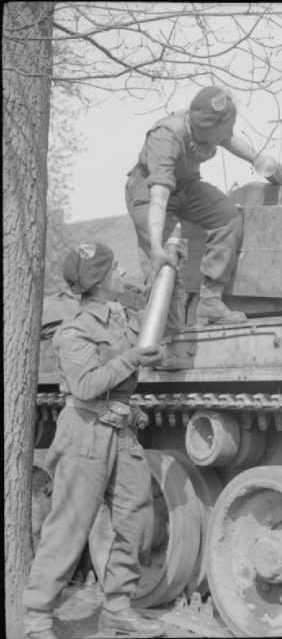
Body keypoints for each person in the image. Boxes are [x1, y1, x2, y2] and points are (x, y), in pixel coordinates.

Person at [23, 241, 187, 639]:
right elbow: (85, 384)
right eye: (113, 270)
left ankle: (116, 609)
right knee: (69, 525)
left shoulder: (119, 316)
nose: (119, 275)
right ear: (98, 282)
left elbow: (162, 321)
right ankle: (38, 618)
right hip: (84, 431)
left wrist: (169, 272)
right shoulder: (73, 331)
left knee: (134, 522)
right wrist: (132, 359)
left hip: (121, 432)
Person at [125, 85, 282, 325]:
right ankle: (158, 334)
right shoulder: (167, 137)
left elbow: (228, 140)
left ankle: (210, 301)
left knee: (227, 217)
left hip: (185, 185)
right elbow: (159, 195)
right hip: (149, 190)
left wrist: (257, 158)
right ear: (207, 127)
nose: (227, 135)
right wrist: (158, 246)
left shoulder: (206, 126)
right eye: (223, 130)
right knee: (167, 263)